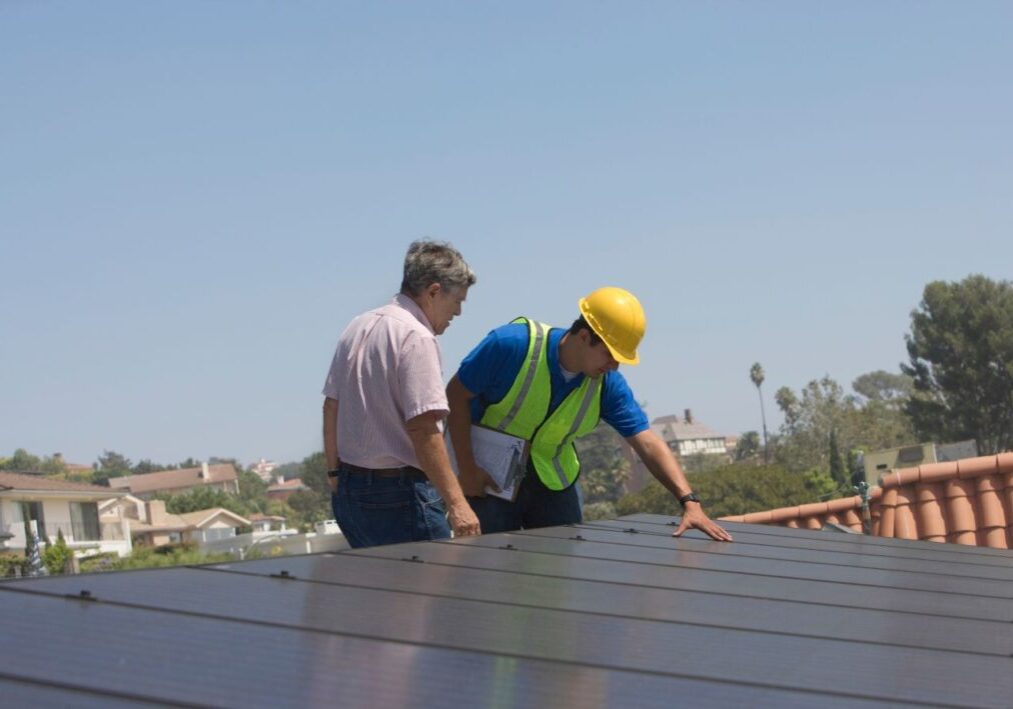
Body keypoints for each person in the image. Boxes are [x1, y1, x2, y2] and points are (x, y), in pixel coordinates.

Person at [446, 286, 732, 541]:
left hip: (553, 484)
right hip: (489, 479)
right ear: (584, 337)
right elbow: (455, 395)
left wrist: (690, 502)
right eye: (610, 355)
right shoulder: (511, 345)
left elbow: (646, 442)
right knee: (488, 571)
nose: (614, 366)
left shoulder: (607, 385)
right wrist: (467, 470)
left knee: (556, 577)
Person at [322, 240, 481, 548]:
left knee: (381, 594)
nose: (458, 312)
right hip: (400, 498)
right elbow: (424, 429)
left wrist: (334, 475)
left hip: (350, 492)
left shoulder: (357, 326)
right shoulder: (416, 337)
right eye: (457, 300)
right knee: (433, 594)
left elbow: (331, 406)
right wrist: (458, 505)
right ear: (434, 291)